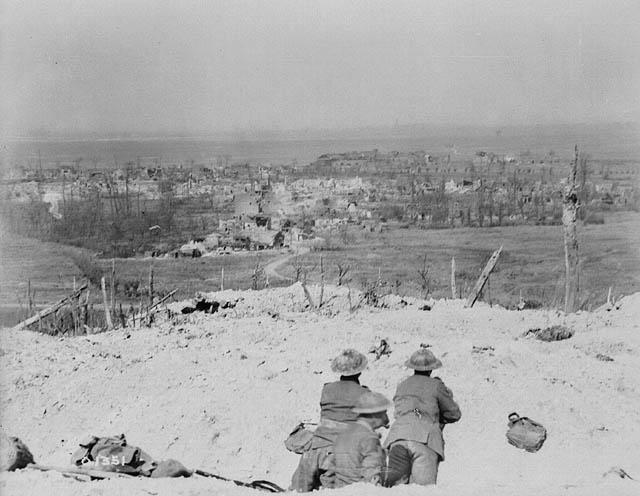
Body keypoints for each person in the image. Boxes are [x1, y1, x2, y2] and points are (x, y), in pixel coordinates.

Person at [290, 349, 369, 492]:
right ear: (360, 372)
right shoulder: (365, 394)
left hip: (315, 449)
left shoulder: (327, 389)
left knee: (297, 491)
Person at [384, 348, 461, 486]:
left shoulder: (402, 385)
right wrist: (439, 418)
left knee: (394, 490)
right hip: (425, 440)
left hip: (398, 437)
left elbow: (398, 410)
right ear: (431, 369)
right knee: (422, 491)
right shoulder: (436, 385)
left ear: (412, 367)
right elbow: (454, 413)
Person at [323, 391, 390, 489]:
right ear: (374, 415)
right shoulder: (369, 438)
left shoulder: (343, 433)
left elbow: (331, 470)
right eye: (384, 413)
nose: (386, 418)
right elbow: (372, 477)